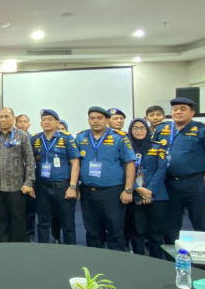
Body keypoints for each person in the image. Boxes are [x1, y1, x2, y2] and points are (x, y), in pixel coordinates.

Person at [152, 97, 205, 238]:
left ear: (192, 113)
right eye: (175, 109)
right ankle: (171, 257)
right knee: (170, 224)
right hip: (168, 183)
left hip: (194, 183)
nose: (178, 112)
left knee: (201, 224)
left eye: (183, 109)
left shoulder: (203, 130)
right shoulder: (161, 129)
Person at [74, 106, 136, 251]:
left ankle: (117, 263)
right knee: (92, 230)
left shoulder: (119, 137)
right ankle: (94, 262)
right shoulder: (81, 137)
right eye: (92, 118)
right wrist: (74, 186)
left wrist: (128, 189)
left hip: (112, 191)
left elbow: (130, 163)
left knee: (115, 229)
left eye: (99, 118)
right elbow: (75, 163)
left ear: (107, 120)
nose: (95, 121)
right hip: (88, 191)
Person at [31, 109, 81, 245]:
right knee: (43, 223)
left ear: (57, 122)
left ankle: (71, 252)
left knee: (68, 224)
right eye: (44, 120)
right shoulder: (35, 139)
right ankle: (43, 252)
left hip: (62, 187)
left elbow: (75, 163)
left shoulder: (66, 138)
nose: (46, 122)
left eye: (50, 119)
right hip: (42, 187)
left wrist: (72, 186)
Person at [0, 108, 35, 243]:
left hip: (17, 186)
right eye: (0, 117)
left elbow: (30, 160)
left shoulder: (22, 136)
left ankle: (18, 247)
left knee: (17, 219)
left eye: (6, 116)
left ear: (13, 118)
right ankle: (4, 245)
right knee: (1, 218)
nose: (3, 119)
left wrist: (29, 182)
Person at [125, 118, 170, 258]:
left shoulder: (157, 147)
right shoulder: (125, 148)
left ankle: (156, 261)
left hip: (156, 196)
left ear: (148, 129)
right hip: (135, 194)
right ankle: (139, 260)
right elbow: (122, 170)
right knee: (137, 232)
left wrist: (148, 192)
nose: (139, 131)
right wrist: (137, 188)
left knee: (156, 233)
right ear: (130, 130)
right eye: (135, 128)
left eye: (142, 128)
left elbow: (161, 170)